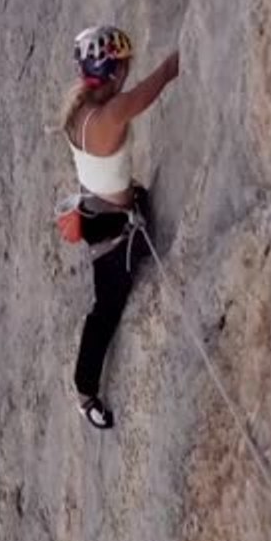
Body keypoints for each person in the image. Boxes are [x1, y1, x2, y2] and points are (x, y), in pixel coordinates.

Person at [61, 25, 180, 429]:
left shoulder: (80, 110)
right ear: (113, 71)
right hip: (111, 229)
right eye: (124, 66)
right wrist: (178, 61)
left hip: (100, 211)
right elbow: (160, 79)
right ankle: (84, 392)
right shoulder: (110, 113)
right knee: (106, 310)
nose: (129, 70)